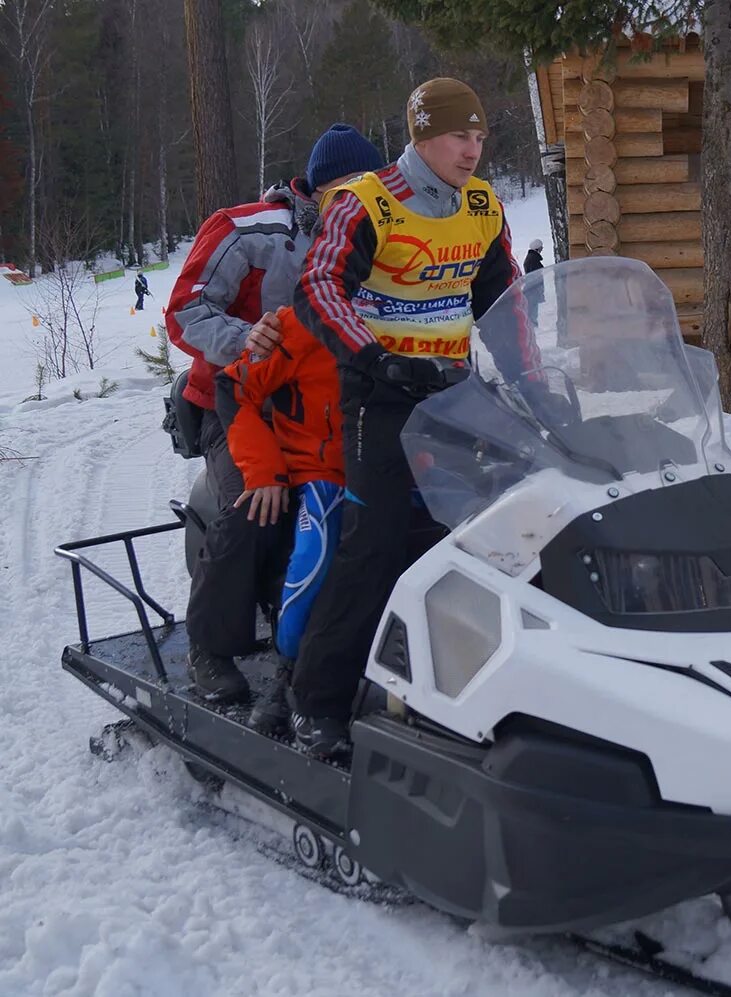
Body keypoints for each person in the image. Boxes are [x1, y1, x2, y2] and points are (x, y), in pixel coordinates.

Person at [290, 77, 539, 756]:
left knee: (481, 534)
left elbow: (505, 300)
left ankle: (459, 686)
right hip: (379, 391)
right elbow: (317, 285)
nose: (473, 150)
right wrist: (375, 357)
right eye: (461, 136)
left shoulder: (482, 206)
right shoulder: (365, 203)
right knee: (375, 542)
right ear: (423, 135)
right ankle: (318, 702)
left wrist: (538, 385)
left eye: (481, 137)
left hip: (452, 387)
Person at [166, 124, 385, 703]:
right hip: (237, 399)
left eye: (372, 185)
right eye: (348, 187)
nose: (361, 198)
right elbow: (185, 311)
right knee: (253, 504)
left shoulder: (381, 233)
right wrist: (256, 342)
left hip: (334, 407)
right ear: (316, 189)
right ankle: (208, 647)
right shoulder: (249, 232)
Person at [215, 305, 344, 735]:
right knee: (316, 555)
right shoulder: (301, 323)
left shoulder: (430, 306)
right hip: (324, 470)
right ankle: (290, 672)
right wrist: (263, 468)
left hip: (410, 463)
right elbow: (234, 387)